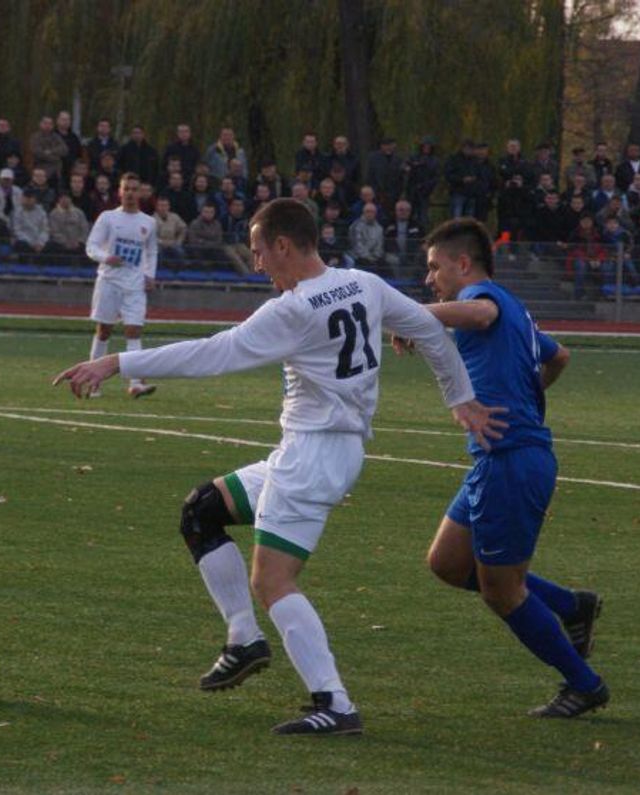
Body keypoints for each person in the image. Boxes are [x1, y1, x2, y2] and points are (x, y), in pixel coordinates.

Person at [53, 198, 506, 735]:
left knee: (272, 580)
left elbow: (214, 353)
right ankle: (243, 640)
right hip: (322, 452)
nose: (258, 263)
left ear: (284, 245)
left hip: (311, 458)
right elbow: (428, 330)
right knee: (201, 511)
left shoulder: (293, 309)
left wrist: (115, 361)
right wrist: (459, 396)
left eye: (259, 251)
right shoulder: (363, 283)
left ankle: (335, 704)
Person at [392, 216, 609, 718]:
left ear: (463, 263)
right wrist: (523, 397)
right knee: (447, 563)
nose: (429, 278)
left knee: (502, 592)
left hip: (511, 460)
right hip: (499, 459)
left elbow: (479, 314)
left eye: (435, 267)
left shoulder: (486, 299)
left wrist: (412, 316)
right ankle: (571, 605)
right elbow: (560, 357)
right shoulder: (516, 308)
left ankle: (585, 685)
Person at [84, 172, 159, 399]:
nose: (130, 193)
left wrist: (149, 274)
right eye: (126, 189)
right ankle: (94, 382)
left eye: (134, 189)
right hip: (108, 282)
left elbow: (151, 251)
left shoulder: (148, 222)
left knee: (133, 330)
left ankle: (135, 383)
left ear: (141, 193)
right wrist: (106, 257)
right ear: (119, 191)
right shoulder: (108, 218)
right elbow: (91, 246)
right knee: (104, 331)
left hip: (135, 285)